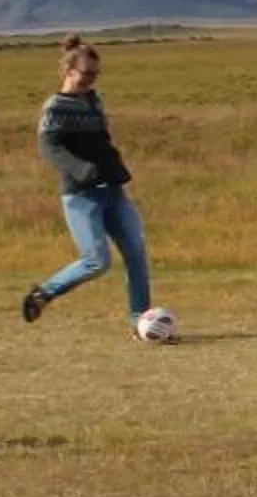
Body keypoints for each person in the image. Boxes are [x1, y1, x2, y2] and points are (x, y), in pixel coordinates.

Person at [22, 34, 166, 336]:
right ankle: (44, 294)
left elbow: (102, 140)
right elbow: (49, 148)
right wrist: (82, 170)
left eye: (95, 74)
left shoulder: (93, 101)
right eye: (86, 74)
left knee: (136, 254)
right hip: (81, 196)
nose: (91, 79)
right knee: (96, 261)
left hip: (113, 191)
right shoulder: (55, 107)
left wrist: (114, 167)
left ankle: (139, 320)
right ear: (68, 72)